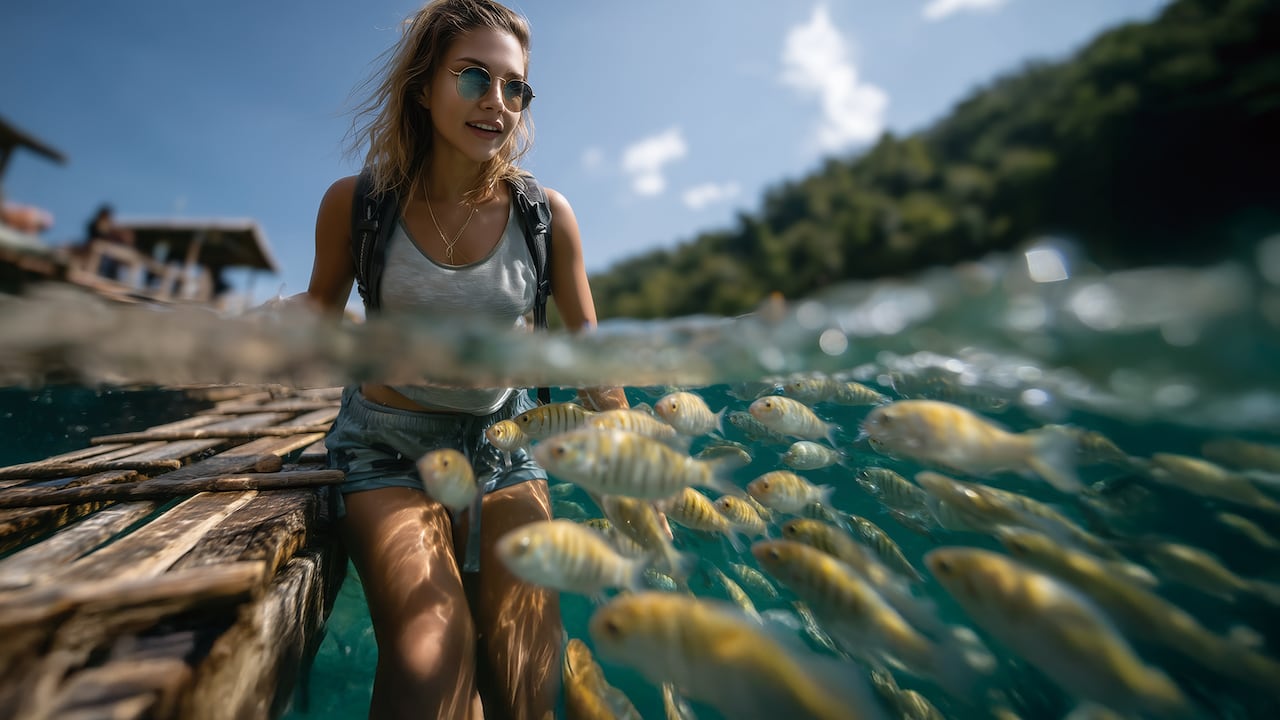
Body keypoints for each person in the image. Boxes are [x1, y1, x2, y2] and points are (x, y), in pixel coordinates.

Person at [304, 2, 628, 718]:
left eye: (515, 87)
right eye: (474, 77)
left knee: (525, 678)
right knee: (431, 663)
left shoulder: (546, 215)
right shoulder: (355, 204)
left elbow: (589, 352)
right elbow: (316, 316)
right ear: (423, 86)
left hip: (506, 449)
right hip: (386, 450)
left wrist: (633, 466)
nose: (498, 103)